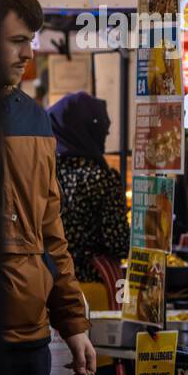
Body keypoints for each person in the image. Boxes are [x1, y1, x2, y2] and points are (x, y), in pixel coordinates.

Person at [0, 0, 96, 375]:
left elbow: (51, 234)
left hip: (26, 347)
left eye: (29, 40)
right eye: (14, 39)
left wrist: (75, 322)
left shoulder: (35, 121)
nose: (25, 52)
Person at [47, 91, 129, 283]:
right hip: (90, 286)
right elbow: (119, 243)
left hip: (48, 282)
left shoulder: (42, 175)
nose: (106, 135)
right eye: (102, 130)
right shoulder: (102, 179)